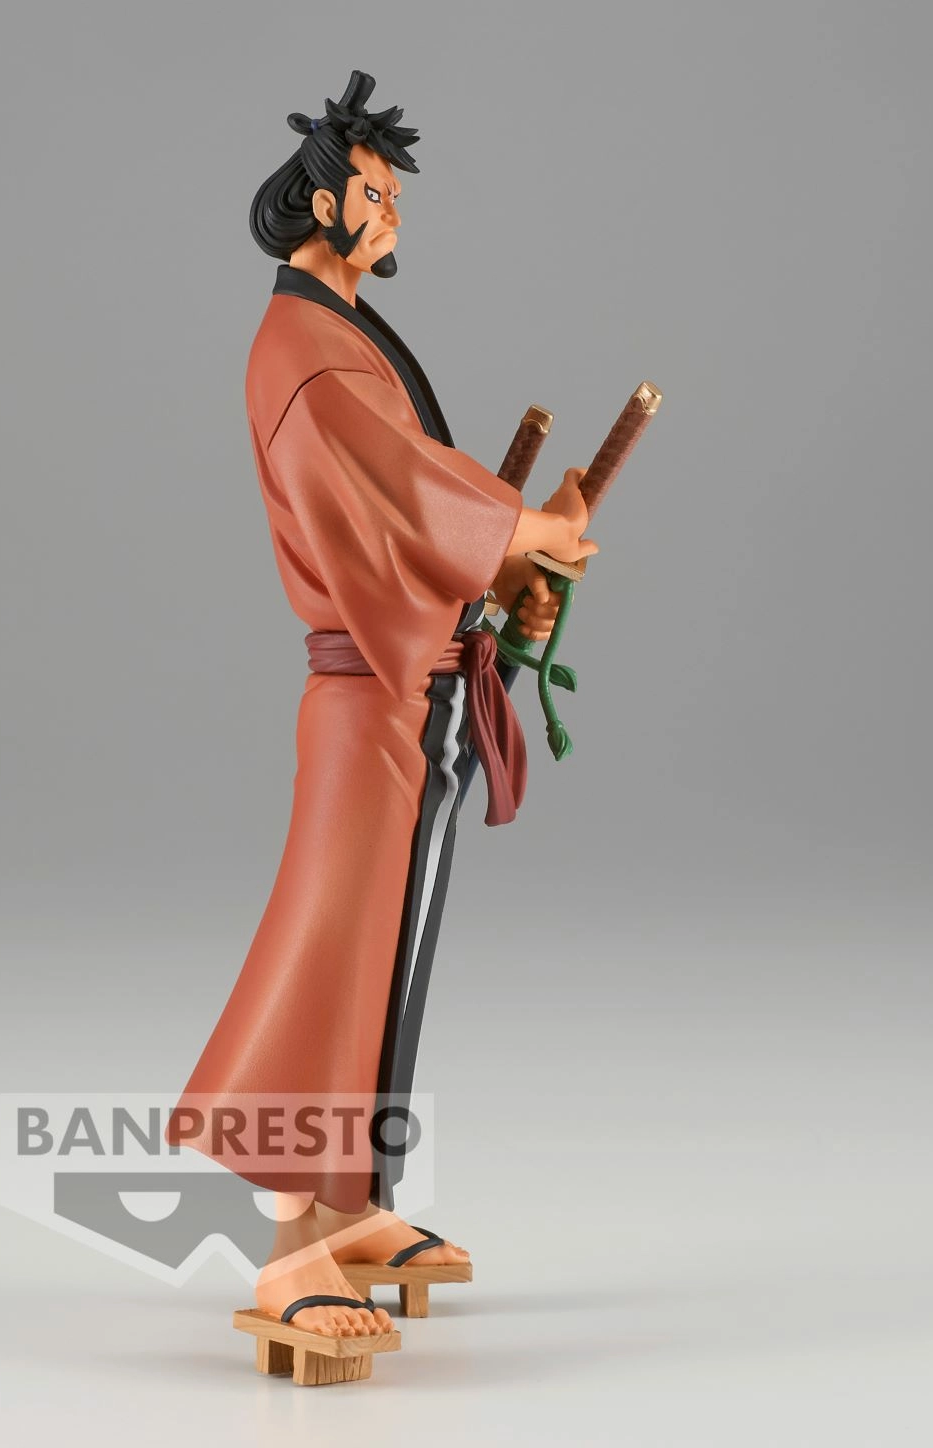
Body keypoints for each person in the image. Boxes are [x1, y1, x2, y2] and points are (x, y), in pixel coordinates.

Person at [169, 71, 597, 1339]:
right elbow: (396, 484)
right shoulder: (301, 348)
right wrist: (516, 526)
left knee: (390, 950)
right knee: (339, 942)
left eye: (393, 194)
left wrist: (505, 578)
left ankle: (351, 1206)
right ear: (322, 201)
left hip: (404, 686)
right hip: (363, 699)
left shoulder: (343, 332)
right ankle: (287, 1248)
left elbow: (405, 509)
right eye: (374, 190)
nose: (391, 210)